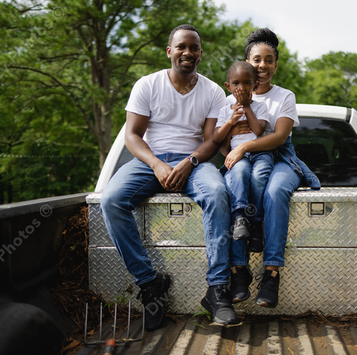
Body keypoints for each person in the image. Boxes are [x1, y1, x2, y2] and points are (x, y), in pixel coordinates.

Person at [100, 24, 239, 331]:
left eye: (194, 48)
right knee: (110, 200)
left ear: (200, 54)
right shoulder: (148, 85)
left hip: (194, 163)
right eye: (181, 47)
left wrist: (189, 162)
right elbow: (133, 136)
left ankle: (217, 290)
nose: (187, 52)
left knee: (217, 194)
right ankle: (151, 283)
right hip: (150, 162)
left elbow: (211, 141)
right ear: (169, 51)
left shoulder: (213, 91)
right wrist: (157, 166)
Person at [224, 28, 321, 308]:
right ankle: (239, 271)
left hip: (280, 157)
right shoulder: (231, 98)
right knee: (234, 186)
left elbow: (278, 137)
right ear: (246, 63)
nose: (262, 65)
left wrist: (242, 147)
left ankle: (271, 273)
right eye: (256, 59)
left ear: (276, 66)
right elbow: (219, 134)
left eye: (269, 60)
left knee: (276, 190)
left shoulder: (284, 96)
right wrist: (233, 153)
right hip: (243, 159)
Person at [213, 61, 272, 251]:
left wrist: (247, 107)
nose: (241, 87)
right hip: (239, 157)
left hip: (260, 153)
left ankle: (256, 224)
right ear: (228, 87)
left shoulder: (260, 107)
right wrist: (230, 122)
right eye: (236, 83)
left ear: (255, 86)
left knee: (260, 176)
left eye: (247, 83)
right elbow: (217, 138)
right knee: (240, 172)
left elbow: (258, 129)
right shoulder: (224, 110)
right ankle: (240, 216)